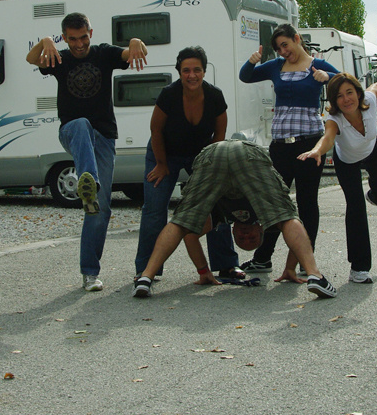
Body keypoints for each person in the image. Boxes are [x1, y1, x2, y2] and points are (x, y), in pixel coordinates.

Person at [26, 12, 147, 292]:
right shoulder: (60, 58)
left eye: (83, 38)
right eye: (72, 39)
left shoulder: (104, 54)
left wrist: (137, 40)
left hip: (104, 138)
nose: (79, 44)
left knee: (99, 210)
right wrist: (45, 41)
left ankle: (90, 273)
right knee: (81, 123)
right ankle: (88, 178)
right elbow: (31, 60)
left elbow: (130, 53)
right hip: (72, 132)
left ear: (90, 33)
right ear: (65, 38)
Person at [132, 139, 337, 300]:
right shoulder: (269, 220)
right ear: (260, 231)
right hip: (245, 153)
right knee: (287, 216)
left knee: (183, 221)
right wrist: (291, 268)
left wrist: (204, 271)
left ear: (233, 232)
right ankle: (315, 275)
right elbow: (293, 222)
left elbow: (190, 235)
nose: (246, 236)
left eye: (243, 240)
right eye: (251, 239)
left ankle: (145, 278)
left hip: (214, 154)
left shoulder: (219, 217)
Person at [134, 47, 247, 285]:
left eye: (197, 70)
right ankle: (146, 269)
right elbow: (155, 130)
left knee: (217, 202)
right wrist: (162, 164)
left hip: (201, 155)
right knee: (154, 211)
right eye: (186, 70)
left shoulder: (215, 96)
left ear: (204, 71)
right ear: (179, 72)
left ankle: (226, 265)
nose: (191, 75)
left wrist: (214, 170)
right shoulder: (169, 95)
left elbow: (220, 134)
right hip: (163, 152)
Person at [237, 23, 336, 281]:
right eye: (278, 48)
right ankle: (263, 259)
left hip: (309, 145)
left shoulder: (317, 65)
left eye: (285, 45)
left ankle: (306, 261)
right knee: (274, 204)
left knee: (306, 203)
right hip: (280, 146)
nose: (283, 52)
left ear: (297, 39)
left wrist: (328, 79)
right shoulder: (275, 67)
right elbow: (246, 76)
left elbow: (345, 82)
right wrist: (252, 61)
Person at [298, 73, 377, 283]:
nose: (346, 99)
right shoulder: (335, 120)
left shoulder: (369, 101)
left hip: (373, 150)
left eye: (350, 93)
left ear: (358, 93)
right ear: (334, 101)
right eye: (339, 96)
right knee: (355, 207)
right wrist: (317, 151)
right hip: (347, 162)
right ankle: (359, 268)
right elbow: (327, 139)